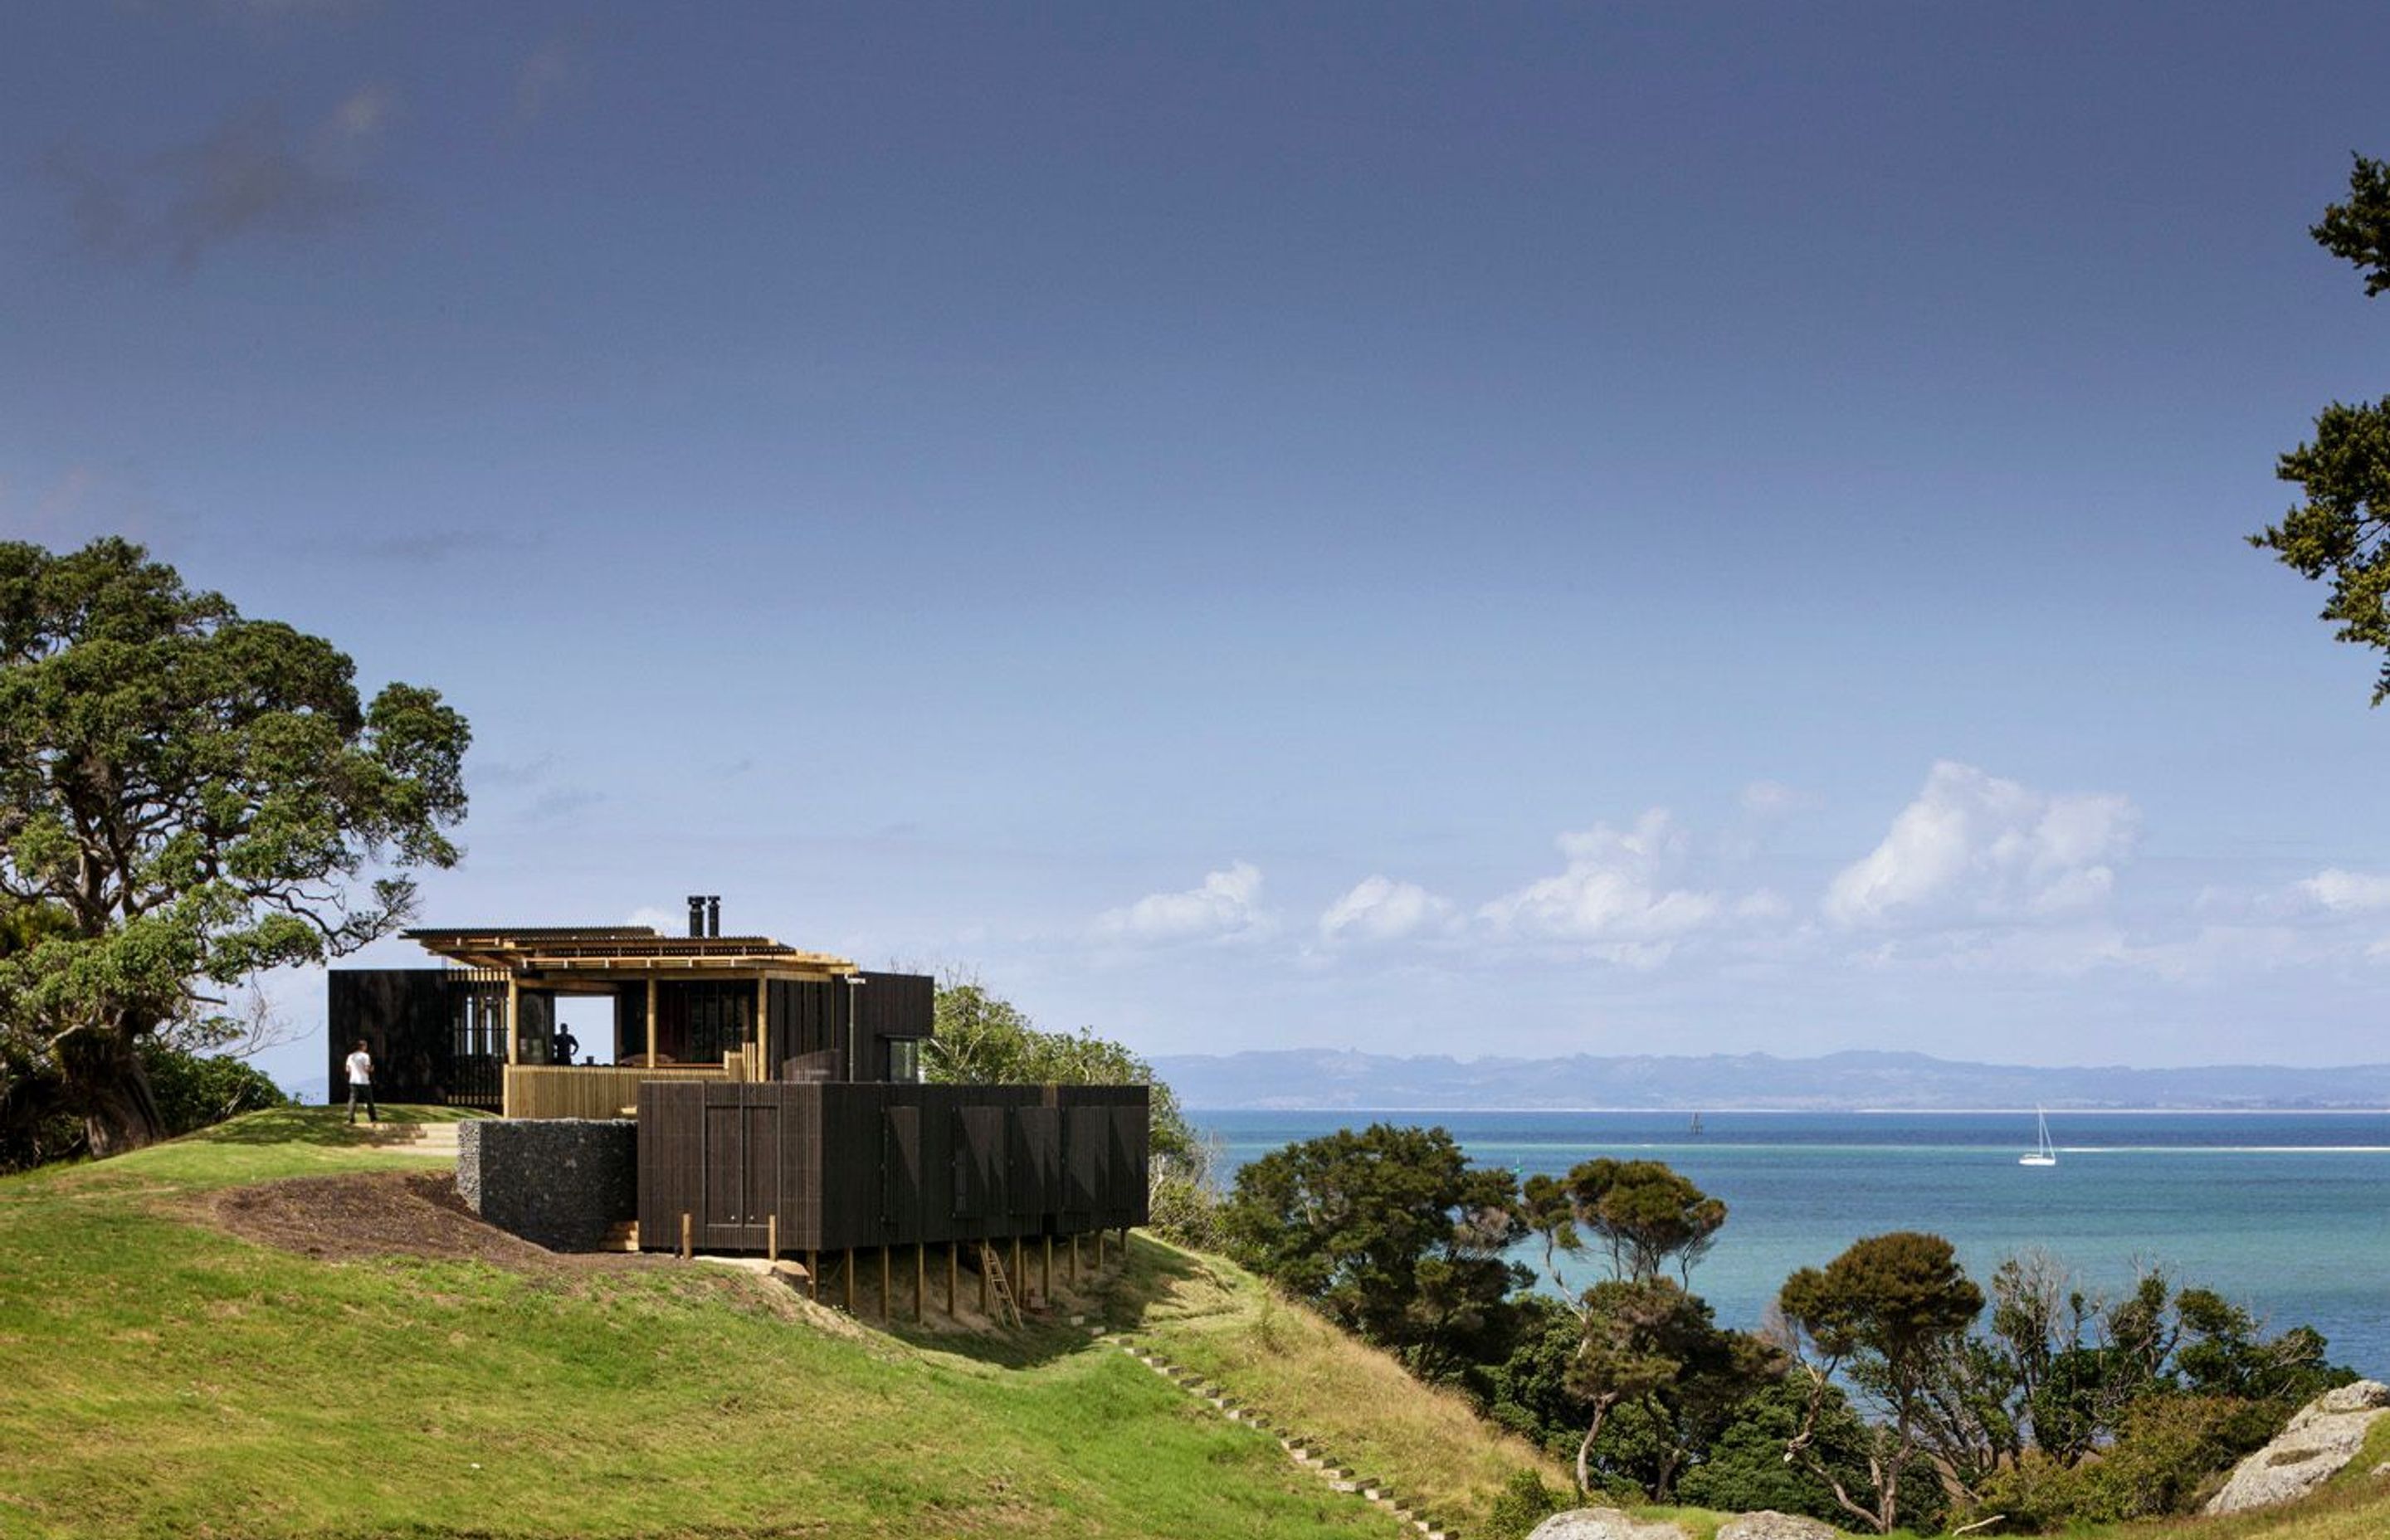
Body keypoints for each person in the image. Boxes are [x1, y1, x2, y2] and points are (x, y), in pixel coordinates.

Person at [344, 1040, 378, 1125]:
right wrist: (371, 1069)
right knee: (369, 1100)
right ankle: (373, 1118)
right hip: (364, 1081)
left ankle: (351, 1119)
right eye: (366, 1046)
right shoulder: (365, 1056)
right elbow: (366, 1069)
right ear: (363, 1047)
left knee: (353, 1100)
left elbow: (347, 1070)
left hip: (353, 1081)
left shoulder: (350, 1056)